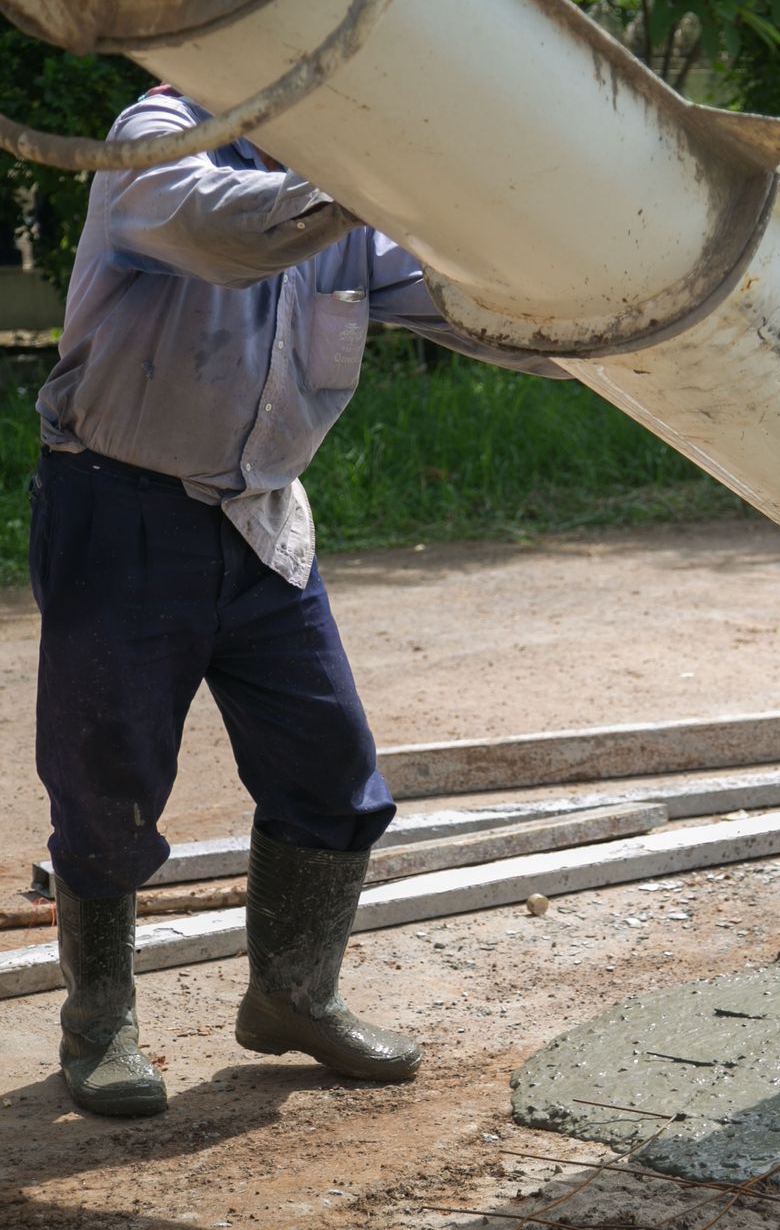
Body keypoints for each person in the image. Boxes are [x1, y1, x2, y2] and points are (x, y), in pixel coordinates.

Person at [32, 88, 562, 1117]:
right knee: (106, 779)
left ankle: (293, 993)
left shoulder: (349, 195)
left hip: (263, 520)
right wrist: (358, 184)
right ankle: (97, 1023)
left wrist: (615, 307)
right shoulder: (162, 132)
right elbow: (217, 232)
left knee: (331, 767)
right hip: (119, 509)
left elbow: (474, 302)